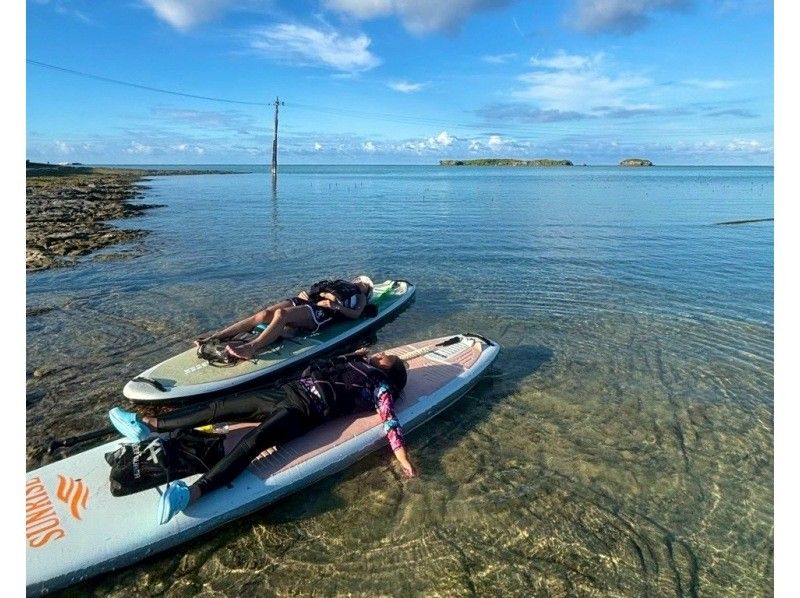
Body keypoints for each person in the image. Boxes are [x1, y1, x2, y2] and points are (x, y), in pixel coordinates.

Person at [108, 347, 414, 524]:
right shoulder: (357, 360)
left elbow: (391, 423)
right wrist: (353, 355)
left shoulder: (381, 387)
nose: (382, 353)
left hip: (304, 411)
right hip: (286, 391)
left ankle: (192, 493)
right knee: (219, 407)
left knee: (253, 443)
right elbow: (320, 365)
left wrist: (402, 458)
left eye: (387, 358)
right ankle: (148, 426)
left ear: (390, 372)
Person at [197, 276, 375, 361]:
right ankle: (217, 337)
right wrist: (304, 294)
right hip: (307, 301)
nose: (360, 282)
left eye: (365, 283)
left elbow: (356, 314)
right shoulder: (341, 283)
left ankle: (251, 347)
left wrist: (336, 307)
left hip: (321, 313)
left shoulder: (360, 296)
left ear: (367, 290)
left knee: (281, 315)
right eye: (360, 279)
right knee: (263, 314)